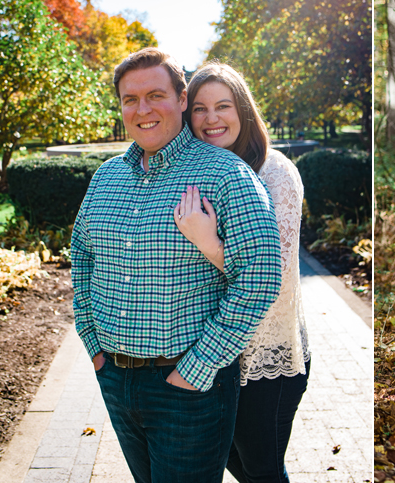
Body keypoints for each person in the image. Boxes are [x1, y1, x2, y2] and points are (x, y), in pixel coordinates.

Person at [71, 48, 282, 483]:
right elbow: (83, 257)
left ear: (182, 98)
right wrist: (92, 342)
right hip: (114, 377)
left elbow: (259, 279)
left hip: (188, 386)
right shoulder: (106, 177)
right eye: (131, 99)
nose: (143, 109)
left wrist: (199, 367)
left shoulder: (225, 174)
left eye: (155, 95)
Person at [175, 62, 309, 483]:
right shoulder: (194, 173)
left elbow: (277, 276)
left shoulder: (275, 173)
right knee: (234, 461)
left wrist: (207, 242)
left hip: (265, 357)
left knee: (262, 470)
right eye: (199, 108)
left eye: (223, 105)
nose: (211, 118)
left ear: (243, 110)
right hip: (210, 352)